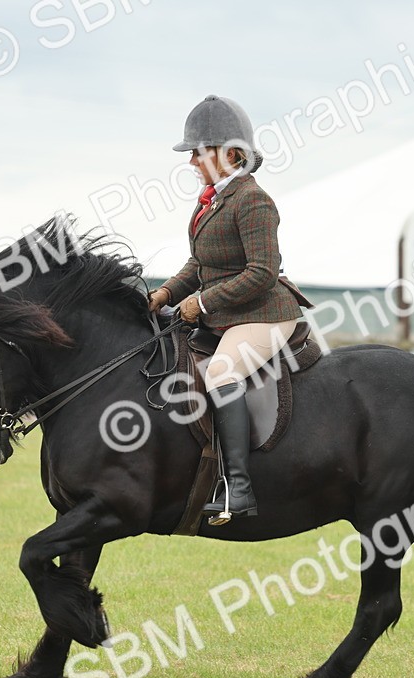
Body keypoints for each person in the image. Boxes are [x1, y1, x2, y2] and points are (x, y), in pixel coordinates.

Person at [148, 95, 313, 523]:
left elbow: (262, 272)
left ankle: (238, 487)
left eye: (198, 154)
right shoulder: (212, 199)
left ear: (229, 154)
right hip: (229, 313)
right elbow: (201, 265)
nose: (191, 164)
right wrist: (163, 295)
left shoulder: (253, 200)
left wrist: (200, 302)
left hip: (265, 314)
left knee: (221, 372)